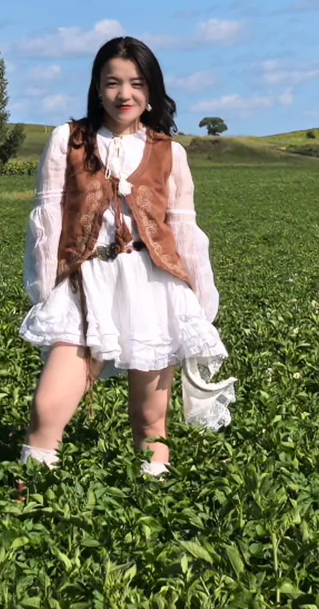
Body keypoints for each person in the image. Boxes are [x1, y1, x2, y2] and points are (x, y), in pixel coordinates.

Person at [18, 35, 236, 478]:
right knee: (46, 409)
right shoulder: (68, 140)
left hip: (153, 286)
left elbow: (185, 231)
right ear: (97, 88)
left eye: (136, 83)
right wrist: (46, 291)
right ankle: (26, 503)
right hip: (85, 284)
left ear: (151, 90)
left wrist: (198, 304)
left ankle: (154, 511)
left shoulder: (169, 152)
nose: (124, 94)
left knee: (150, 421)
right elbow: (48, 220)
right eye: (113, 82)